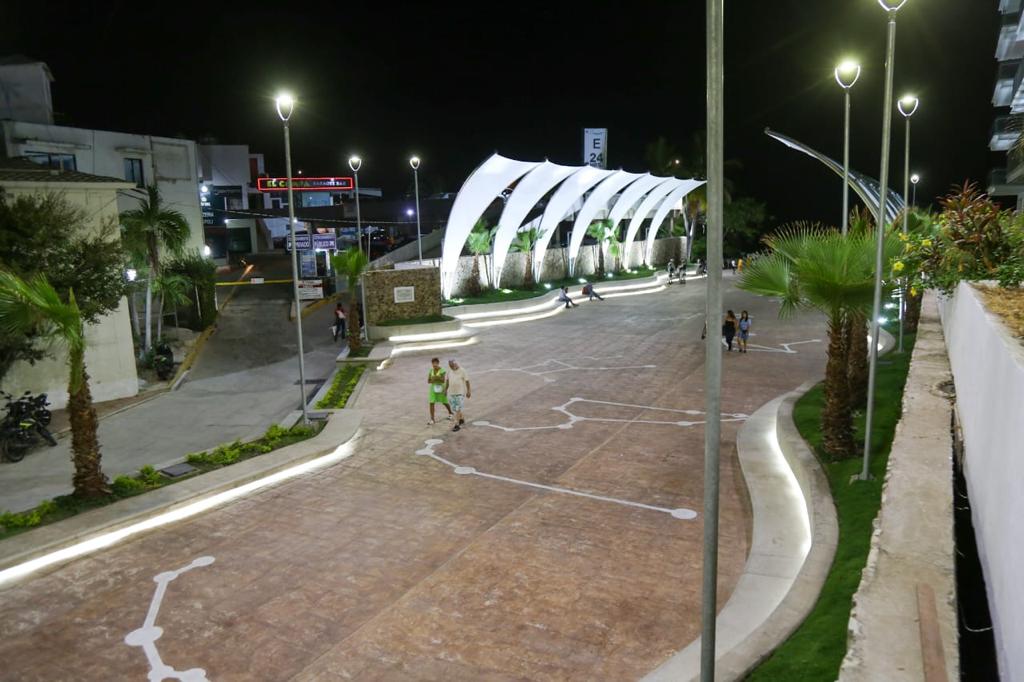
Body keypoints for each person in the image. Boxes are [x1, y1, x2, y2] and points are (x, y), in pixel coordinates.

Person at [445, 359, 471, 431]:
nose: (451, 366)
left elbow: (467, 381)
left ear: (456, 363)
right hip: (451, 393)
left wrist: (468, 391)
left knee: (458, 408)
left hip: (460, 393)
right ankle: (461, 419)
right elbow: (447, 381)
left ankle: (457, 424)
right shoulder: (449, 371)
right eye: (450, 365)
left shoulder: (462, 370)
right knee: (455, 409)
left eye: (452, 365)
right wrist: (445, 390)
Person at [427, 357, 453, 425]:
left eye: (435, 363)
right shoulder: (431, 370)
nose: (434, 365)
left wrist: (436, 377)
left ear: (438, 363)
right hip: (433, 388)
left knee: (444, 401)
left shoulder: (442, 370)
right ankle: (432, 419)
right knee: (431, 402)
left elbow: (443, 380)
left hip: (441, 388)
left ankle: (450, 413)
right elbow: (428, 381)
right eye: (433, 363)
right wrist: (432, 380)